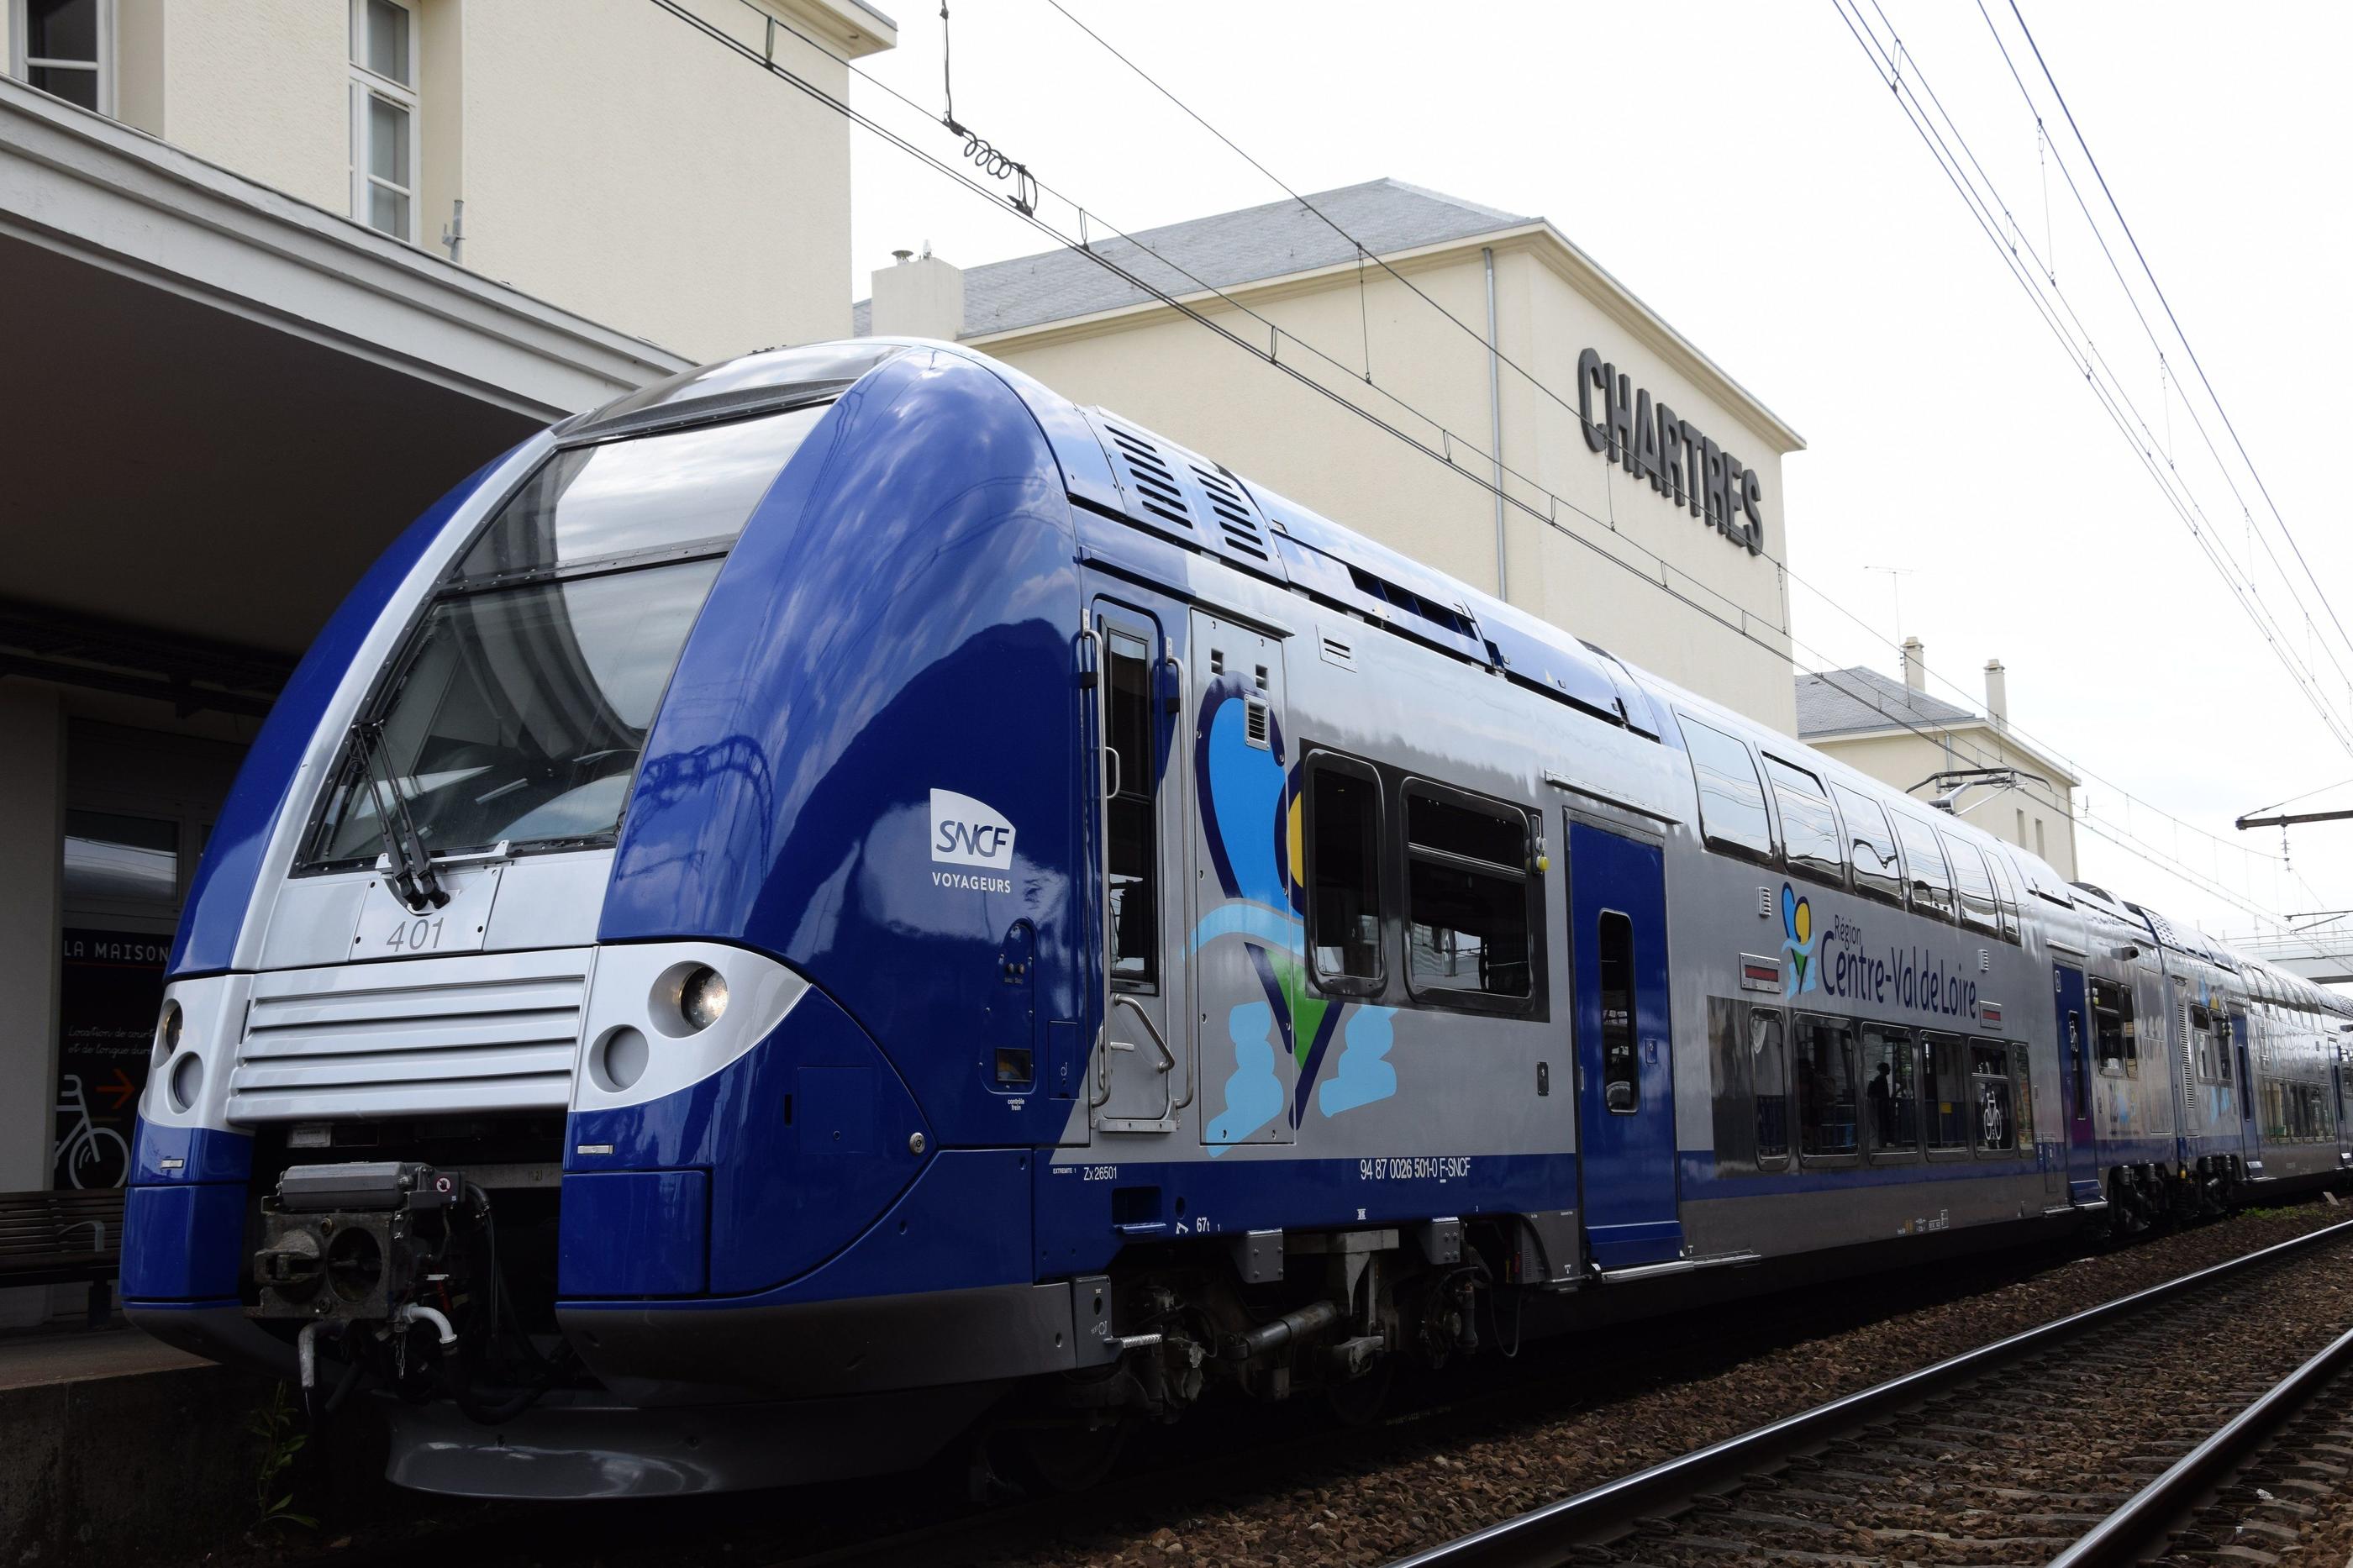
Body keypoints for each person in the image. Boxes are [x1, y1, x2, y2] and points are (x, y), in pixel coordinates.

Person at [1867, 1060, 1894, 1145]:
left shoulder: (1880, 1079)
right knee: (1883, 1122)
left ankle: (1884, 1141)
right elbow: (1881, 1094)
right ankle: (1883, 1141)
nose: (1890, 1070)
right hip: (1882, 1105)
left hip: (1882, 1104)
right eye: (1888, 1068)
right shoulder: (1880, 1079)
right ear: (1884, 1069)